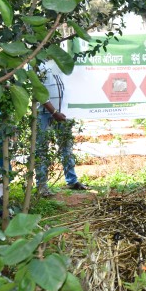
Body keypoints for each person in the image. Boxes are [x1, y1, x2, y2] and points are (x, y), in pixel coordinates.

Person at [36, 63, 87, 196]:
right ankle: (41, 186)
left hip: (63, 113)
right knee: (41, 149)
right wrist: (54, 112)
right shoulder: (37, 63)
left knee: (66, 146)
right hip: (44, 113)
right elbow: (38, 91)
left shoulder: (59, 62)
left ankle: (72, 180)